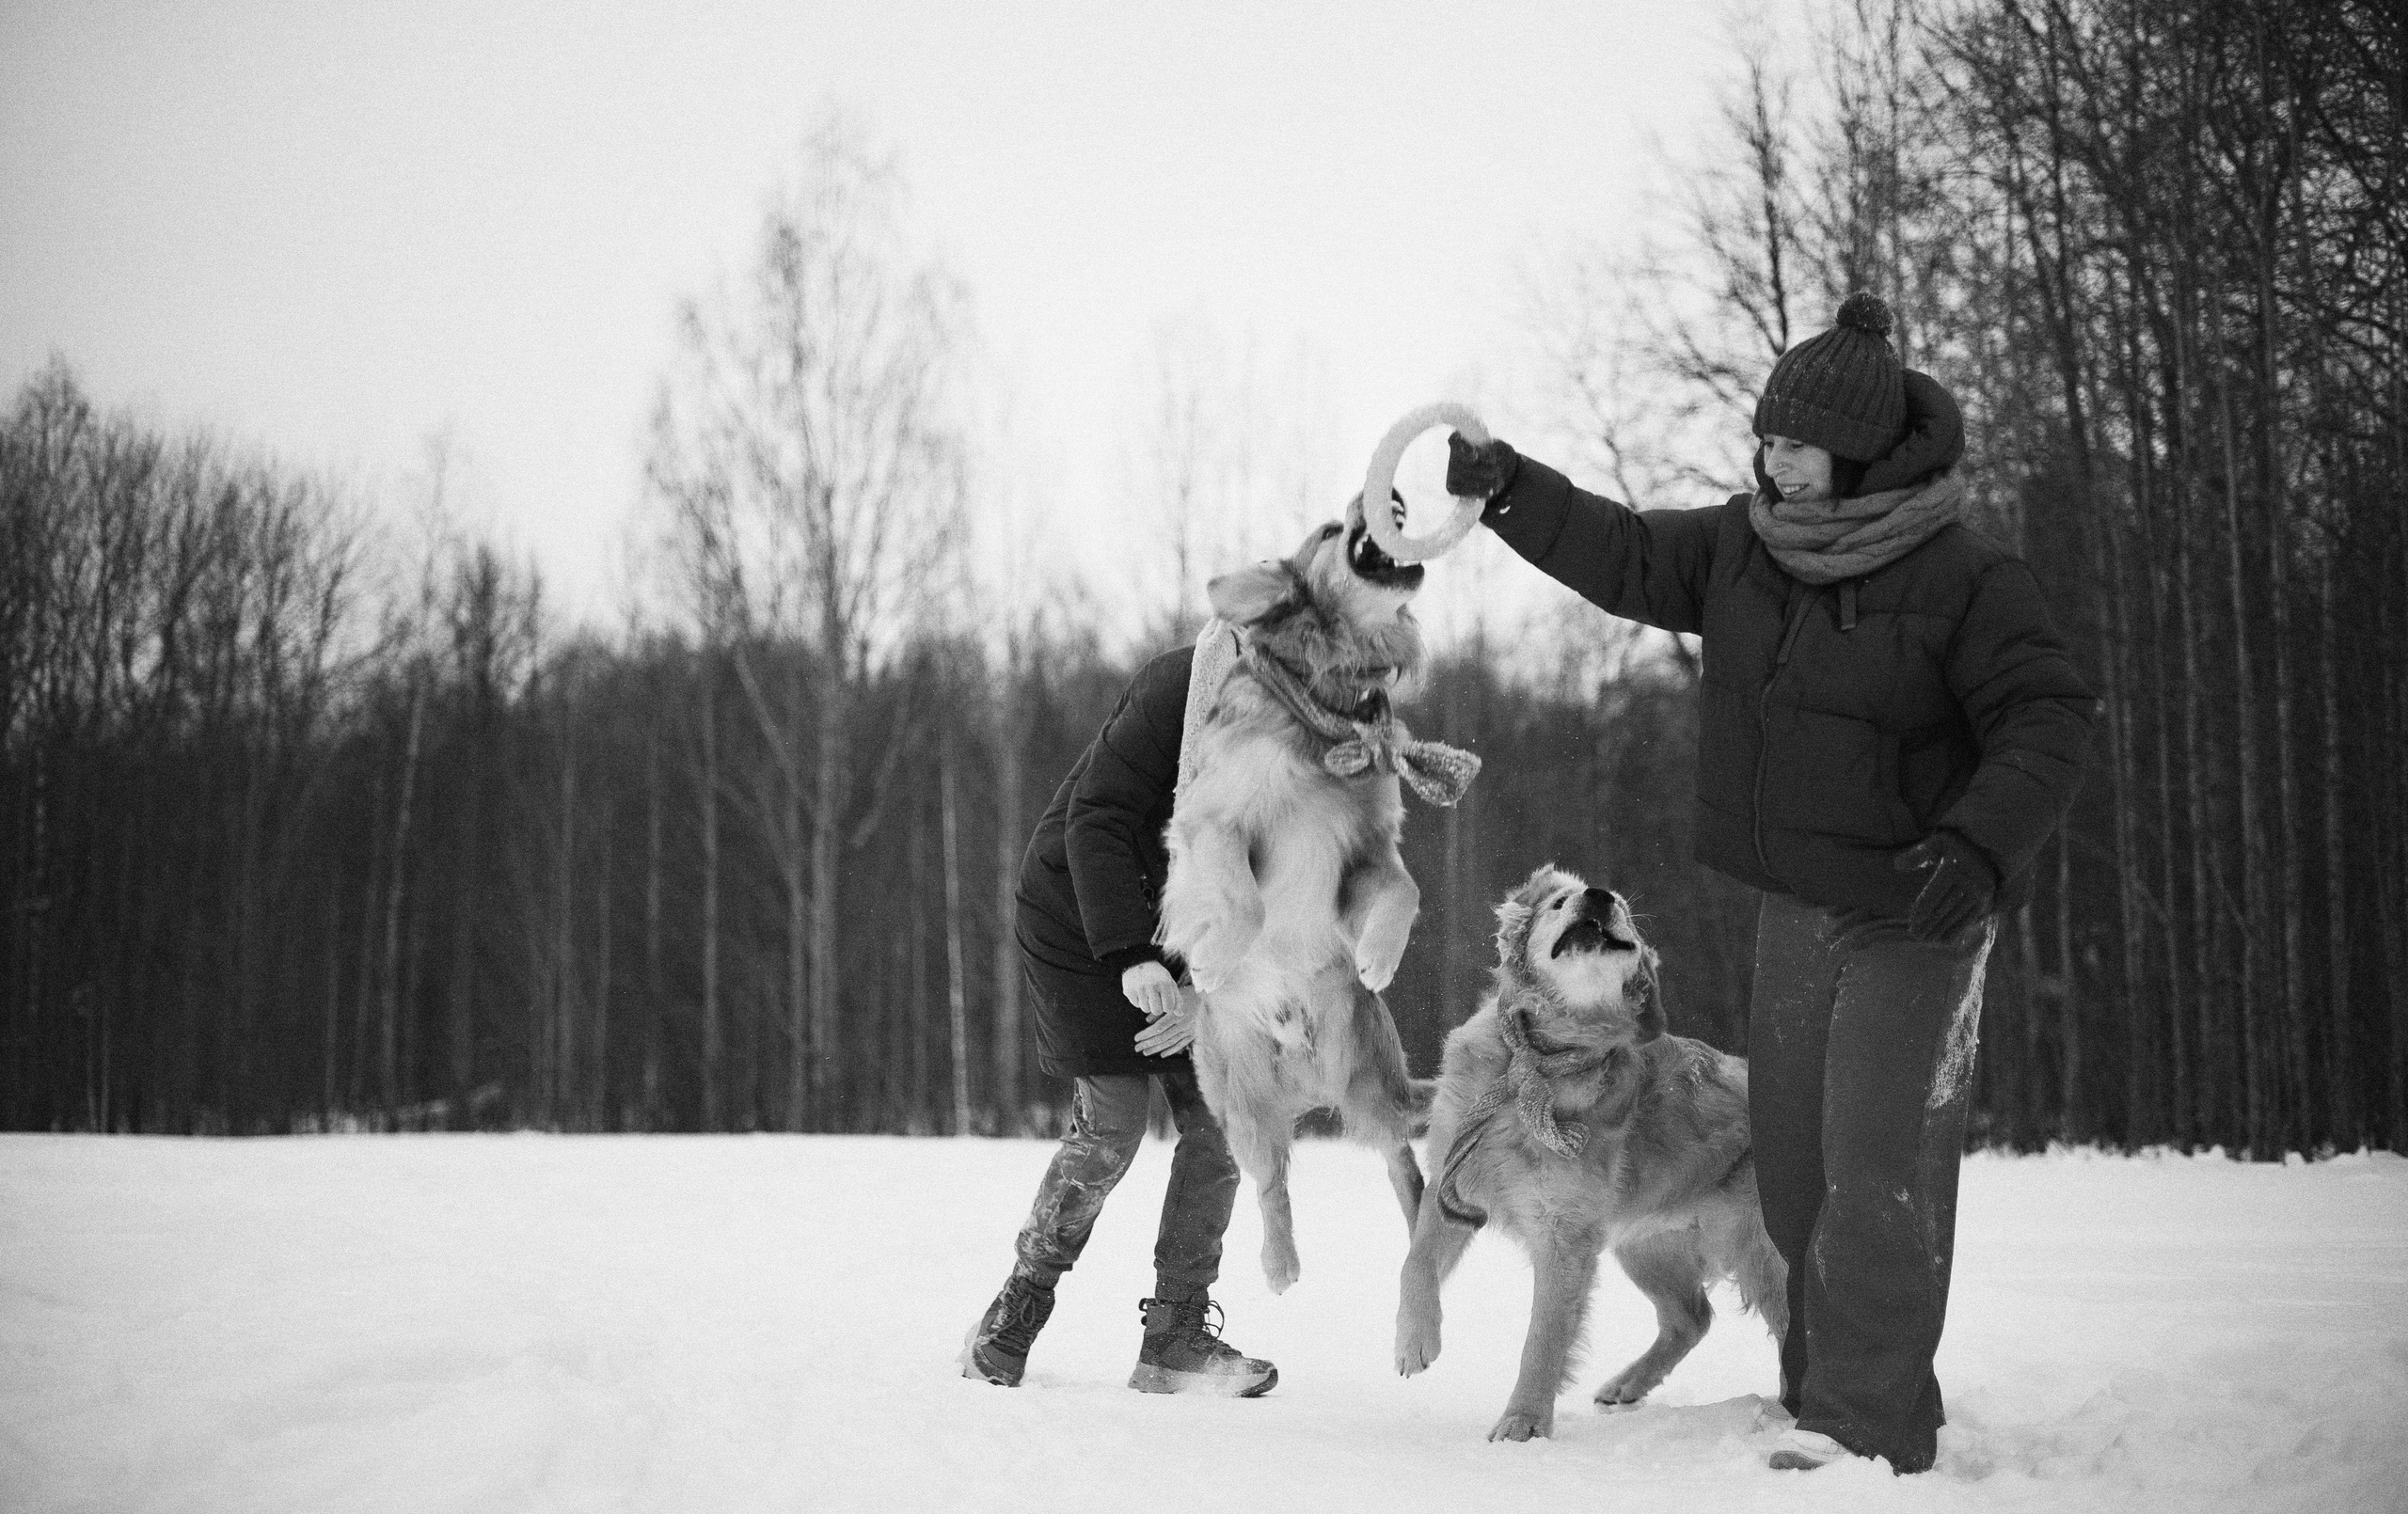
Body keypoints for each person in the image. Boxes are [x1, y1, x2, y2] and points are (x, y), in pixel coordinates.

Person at [1445, 292, 2094, 1474]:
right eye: (1766, 437)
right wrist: (1509, 487)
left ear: (1857, 447)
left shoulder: (1964, 576)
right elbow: (1627, 550)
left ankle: (1868, 1426)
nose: (1771, 456)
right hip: (1795, 905)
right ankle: (1820, 1394)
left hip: (1918, 909)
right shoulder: (1748, 544)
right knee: (1789, 1167)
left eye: (1793, 440)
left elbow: (2047, 716)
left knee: (1876, 1165)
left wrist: (1979, 844)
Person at [961, 642, 1277, 1397]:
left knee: (1223, 1115)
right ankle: (1015, 1312)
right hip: (1081, 913)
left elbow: (1275, 884)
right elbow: (1096, 817)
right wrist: (1133, 955)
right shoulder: (1178, 690)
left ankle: (1173, 1339)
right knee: (1114, 1122)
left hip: (1188, 930)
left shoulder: (1310, 743)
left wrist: (1204, 990)